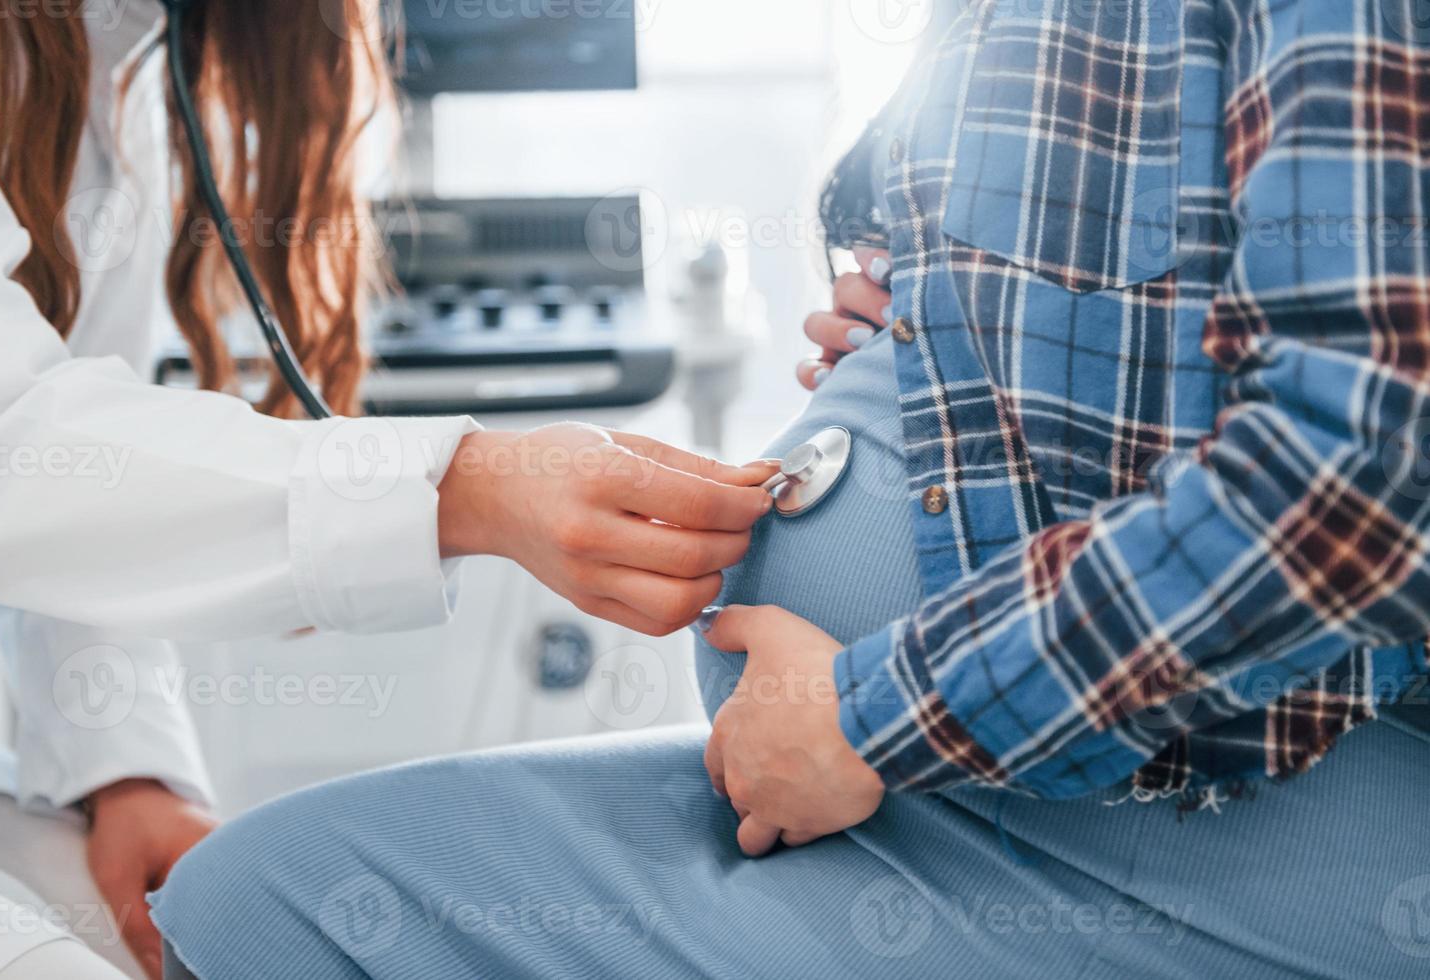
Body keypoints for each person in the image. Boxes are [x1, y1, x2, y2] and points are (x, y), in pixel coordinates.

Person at [149, 0, 1430, 977]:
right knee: (243, 894)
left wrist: (872, 718)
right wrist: (949, 328)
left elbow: (1357, 477)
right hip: (931, 773)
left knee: (285, 920)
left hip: (1172, 793)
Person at [0, 3, 774, 978]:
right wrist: (466, 491)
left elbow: (76, 471)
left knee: (176, 944)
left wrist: (123, 768)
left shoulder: (114, 80)